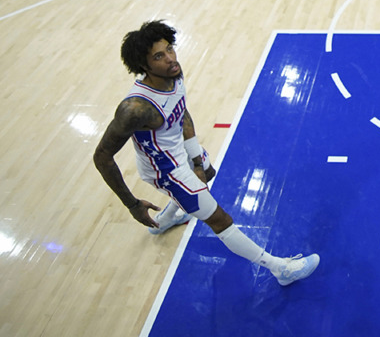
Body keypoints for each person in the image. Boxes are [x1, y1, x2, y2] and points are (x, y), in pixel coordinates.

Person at [93, 21, 319, 286]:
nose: (170, 59)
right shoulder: (135, 109)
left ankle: (165, 220)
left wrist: (197, 162)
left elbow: (182, 113)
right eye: (159, 56)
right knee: (219, 218)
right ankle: (279, 269)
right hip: (166, 172)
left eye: (169, 50)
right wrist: (131, 204)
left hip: (180, 154)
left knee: (208, 171)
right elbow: (102, 156)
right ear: (144, 66)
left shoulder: (173, 75)